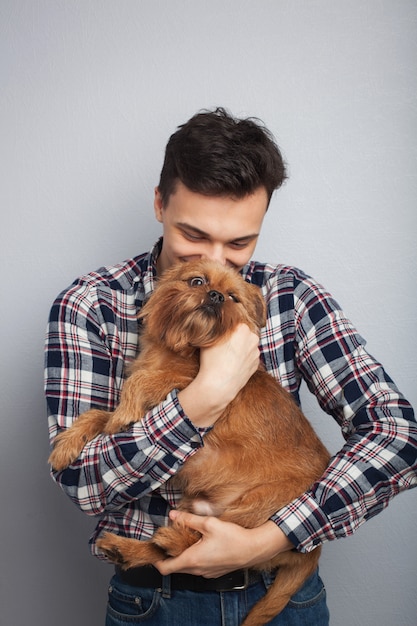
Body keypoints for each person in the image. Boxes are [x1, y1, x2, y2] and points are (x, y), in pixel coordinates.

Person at [45, 108, 417, 626]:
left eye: (240, 243)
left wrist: (270, 538)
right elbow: (83, 484)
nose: (217, 261)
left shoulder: (290, 296)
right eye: (194, 236)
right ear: (159, 203)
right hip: (153, 602)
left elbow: (399, 436)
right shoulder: (91, 305)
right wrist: (206, 396)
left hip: (283, 586)